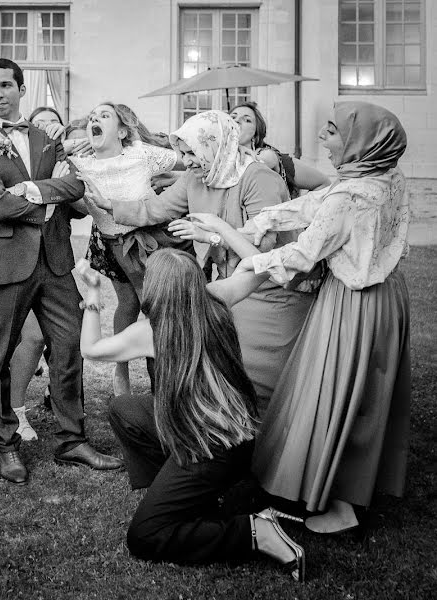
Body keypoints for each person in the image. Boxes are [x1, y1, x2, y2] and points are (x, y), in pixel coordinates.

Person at [238, 101, 411, 534]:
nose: (322, 138)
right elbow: (319, 202)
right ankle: (354, 489)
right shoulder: (384, 175)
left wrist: (251, 264)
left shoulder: (353, 196)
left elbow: (304, 252)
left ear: (359, 142)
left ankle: (341, 505)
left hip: (352, 303)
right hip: (387, 298)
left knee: (336, 392)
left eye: (331, 131)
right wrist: (265, 218)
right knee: (367, 395)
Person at [79, 250, 305, 580]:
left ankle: (254, 531)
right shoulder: (216, 297)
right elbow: (261, 270)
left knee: (144, 536)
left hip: (210, 448)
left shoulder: (151, 333)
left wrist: (94, 291)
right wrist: (290, 252)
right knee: (124, 409)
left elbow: (90, 349)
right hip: (235, 435)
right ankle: (181, 498)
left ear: (156, 288)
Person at [0, 57, 122, 484]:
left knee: (68, 348)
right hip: (5, 262)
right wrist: (47, 198)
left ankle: (72, 440)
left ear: (20, 89)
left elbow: (76, 188)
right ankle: (6, 445)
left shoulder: (46, 138)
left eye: (5, 86)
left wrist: (31, 189)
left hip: (54, 262)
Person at [88, 110, 315, 408]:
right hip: (230, 285)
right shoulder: (197, 177)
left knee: (265, 378)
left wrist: (212, 235)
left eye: (192, 153)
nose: (188, 162)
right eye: (183, 154)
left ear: (214, 146)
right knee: (233, 369)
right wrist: (111, 205)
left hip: (270, 289)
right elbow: (156, 209)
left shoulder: (258, 178)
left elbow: (265, 250)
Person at [72, 101, 191, 396]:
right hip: (115, 243)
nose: (94, 119)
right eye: (92, 117)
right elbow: (47, 157)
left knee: (161, 309)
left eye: (104, 115)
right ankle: (126, 371)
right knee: (135, 304)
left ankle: (165, 384)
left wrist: (175, 179)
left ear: (123, 131)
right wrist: (73, 144)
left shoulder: (141, 154)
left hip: (155, 235)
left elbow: (189, 162)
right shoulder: (79, 165)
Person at [230, 101, 330, 197]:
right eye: (232, 117)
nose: (237, 120)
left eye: (247, 120)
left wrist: (297, 209)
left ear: (256, 135)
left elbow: (324, 183)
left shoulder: (267, 156)